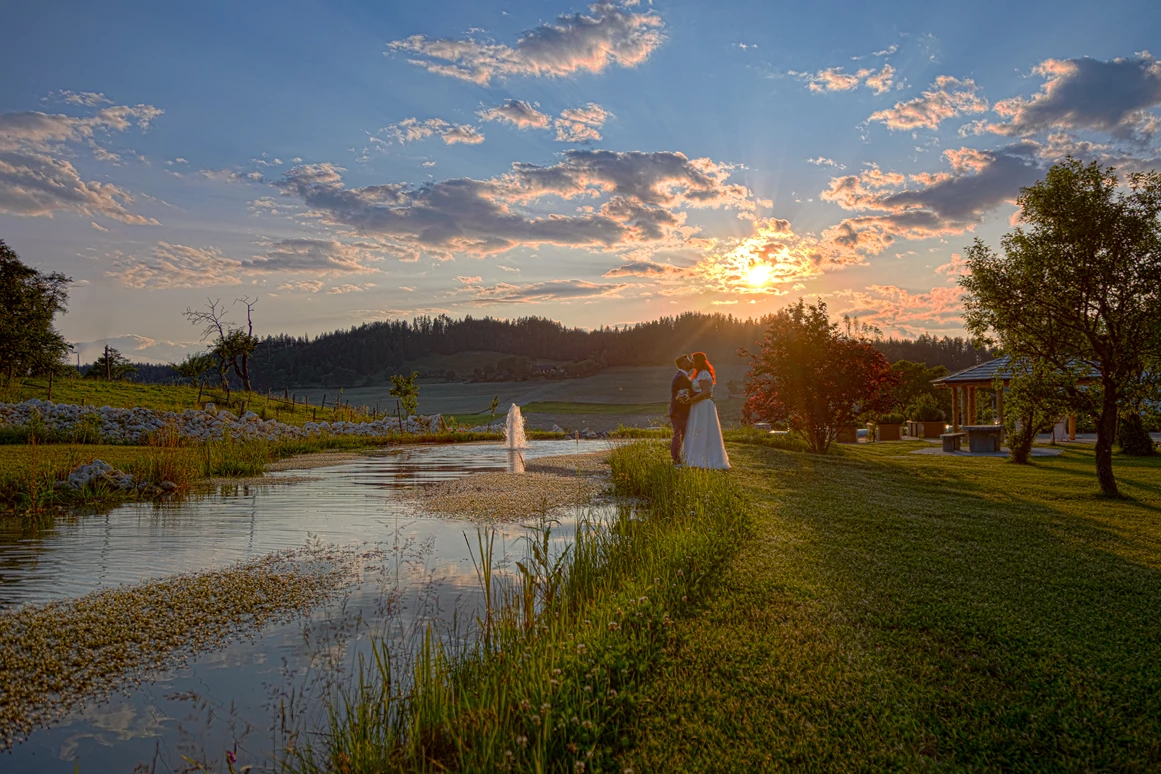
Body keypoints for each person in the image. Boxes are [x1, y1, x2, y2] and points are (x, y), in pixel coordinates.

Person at [683, 352, 730, 470]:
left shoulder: (704, 374)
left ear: (698, 362)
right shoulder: (698, 374)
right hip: (698, 405)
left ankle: (706, 458)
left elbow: (705, 391)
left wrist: (691, 400)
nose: (691, 362)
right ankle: (696, 455)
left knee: (704, 429)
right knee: (698, 429)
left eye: (693, 360)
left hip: (703, 405)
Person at [668, 354, 694, 465]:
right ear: (683, 364)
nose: (690, 363)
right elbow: (684, 395)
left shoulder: (683, 376)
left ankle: (682, 457)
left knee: (684, 434)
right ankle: (676, 459)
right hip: (679, 412)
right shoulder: (680, 377)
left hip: (683, 412)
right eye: (688, 361)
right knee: (677, 435)